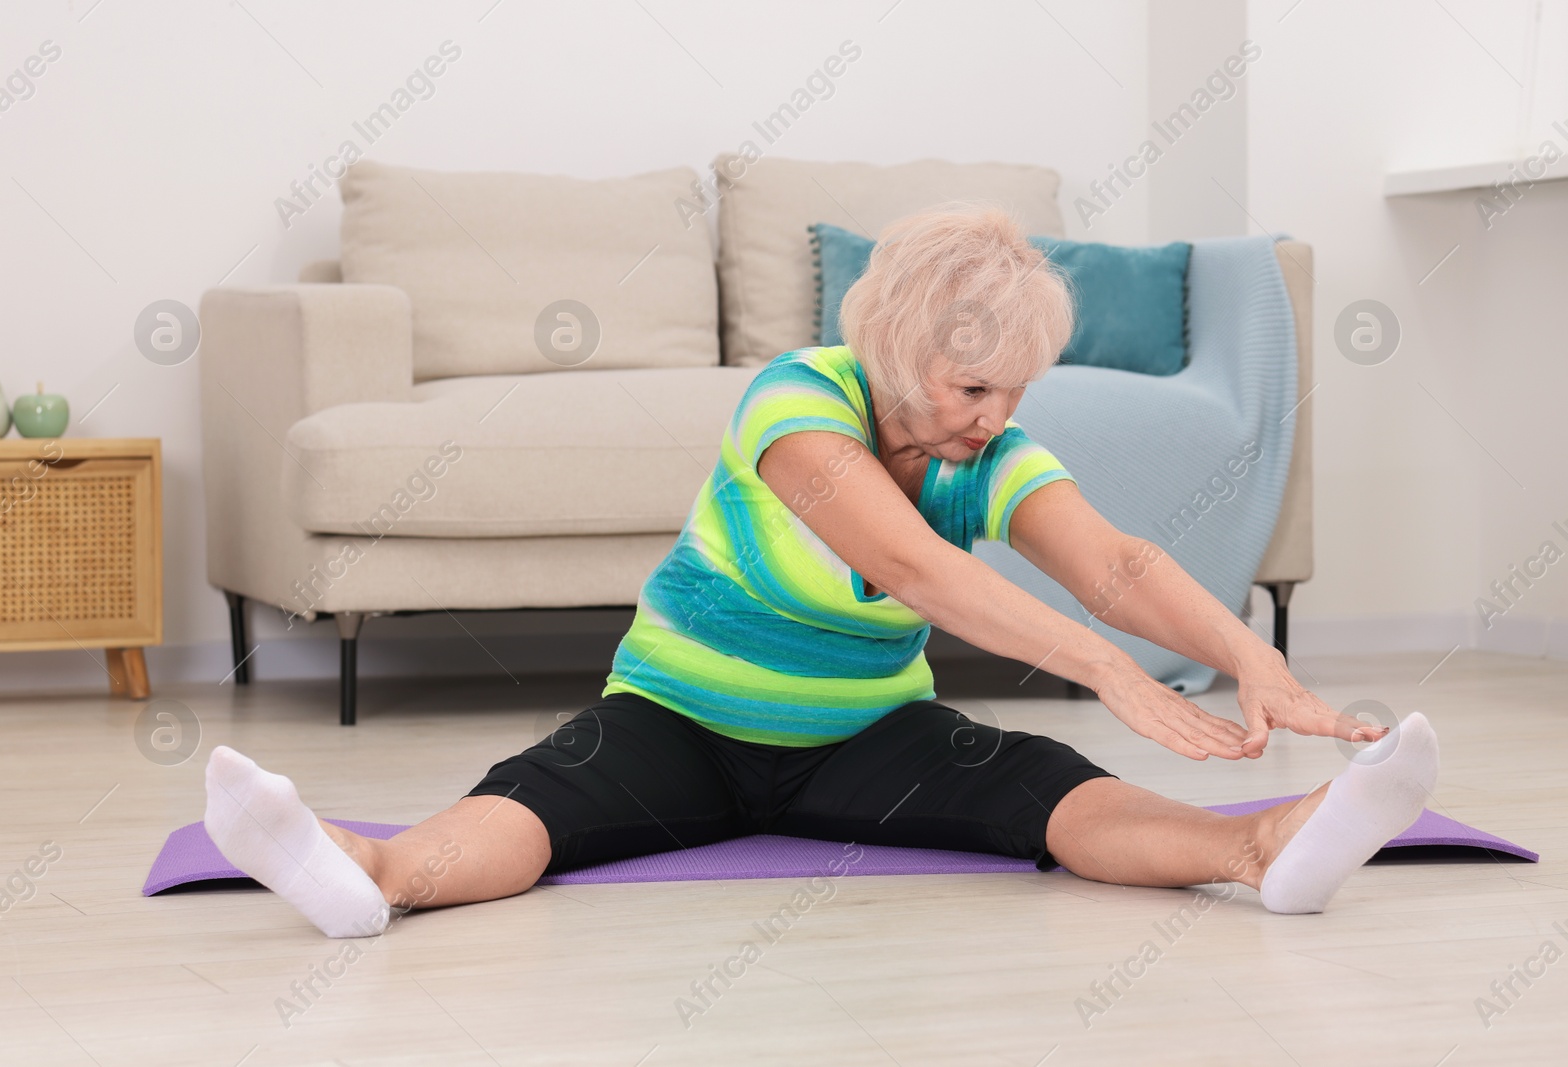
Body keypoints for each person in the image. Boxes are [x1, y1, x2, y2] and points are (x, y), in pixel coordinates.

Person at [203, 206, 1438, 938]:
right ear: (897, 351)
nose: (993, 416)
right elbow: (913, 567)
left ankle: (1266, 848)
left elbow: (1113, 559)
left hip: (868, 736)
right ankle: (361, 875)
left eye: (1015, 390)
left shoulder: (984, 450)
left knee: (1050, 789)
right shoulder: (794, 405)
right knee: (532, 811)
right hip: (676, 719)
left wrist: (1249, 657)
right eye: (971, 387)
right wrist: (1109, 668)